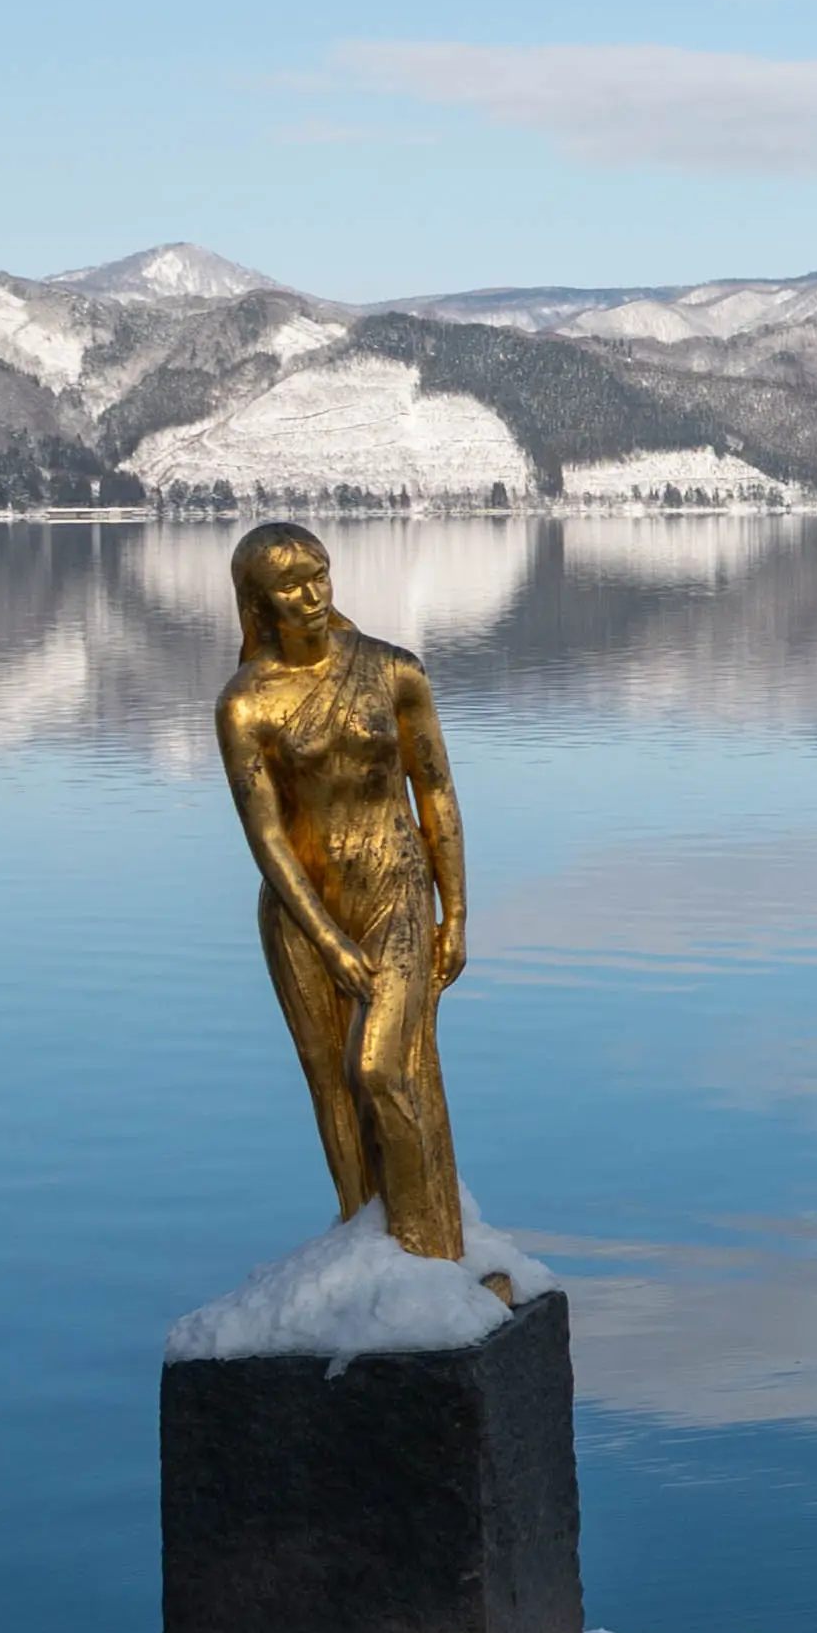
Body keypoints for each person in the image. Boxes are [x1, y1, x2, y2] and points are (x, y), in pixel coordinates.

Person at [214, 520, 477, 1255]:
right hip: (304, 912)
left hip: (394, 888)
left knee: (382, 1066)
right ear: (258, 605)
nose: (311, 595)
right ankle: (370, 1243)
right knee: (331, 1085)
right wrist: (327, 942)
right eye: (289, 587)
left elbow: (438, 794)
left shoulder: (394, 671)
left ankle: (431, 1253)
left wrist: (454, 913)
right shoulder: (246, 704)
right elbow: (265, 835)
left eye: (319, 575)